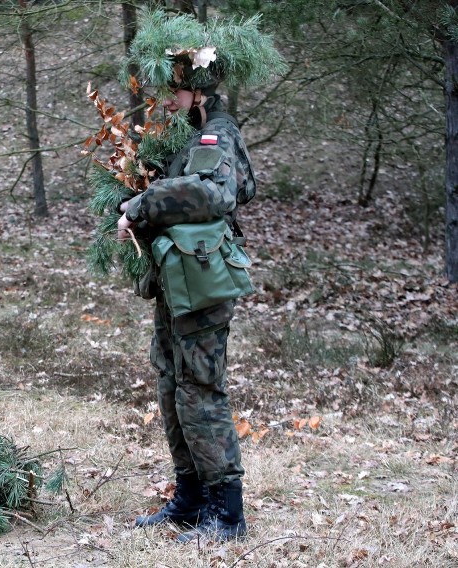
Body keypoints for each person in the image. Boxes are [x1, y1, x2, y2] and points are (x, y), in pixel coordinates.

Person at [113, 11, 285, 543]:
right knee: (173, 384)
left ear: (198, 90)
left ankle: (226, 513)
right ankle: (189, 499)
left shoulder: (217, 136)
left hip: (203, 281)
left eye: (176, 91)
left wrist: (142, 204)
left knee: (201, 389)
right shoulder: (200, 136)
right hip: (182, 279)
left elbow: (219, 194)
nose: (167, 101)